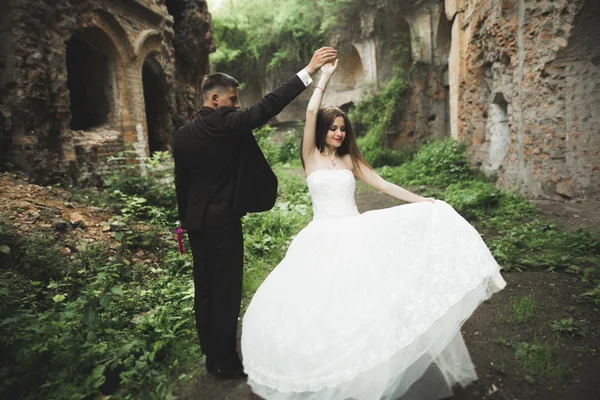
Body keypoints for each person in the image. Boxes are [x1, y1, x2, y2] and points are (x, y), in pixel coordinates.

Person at [241, 59, 507, 399]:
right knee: (325, 305)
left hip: (357, 233)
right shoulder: (311, 157)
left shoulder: (350, 161)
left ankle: (373, 369)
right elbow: (309, 114)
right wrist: (324, 76)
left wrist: (420, 200)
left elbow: (381, 183)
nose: (338, 133)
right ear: (322, 129)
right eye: (333, 127)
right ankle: (332, 365)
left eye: (342, 128)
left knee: (369, 303)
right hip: (321, 238)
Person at [172, 47, 338, 379]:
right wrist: (308, 71)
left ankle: (211, 355)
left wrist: (183, 222)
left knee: (204, 290)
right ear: (216, 100)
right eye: (233, 99)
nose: (238, 105)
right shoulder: (227, 123)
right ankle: (227, 362)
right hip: (222, 224)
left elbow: (183, 184)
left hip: (195, 225)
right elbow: (268, 106)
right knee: (227, 290)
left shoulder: (183, 135)